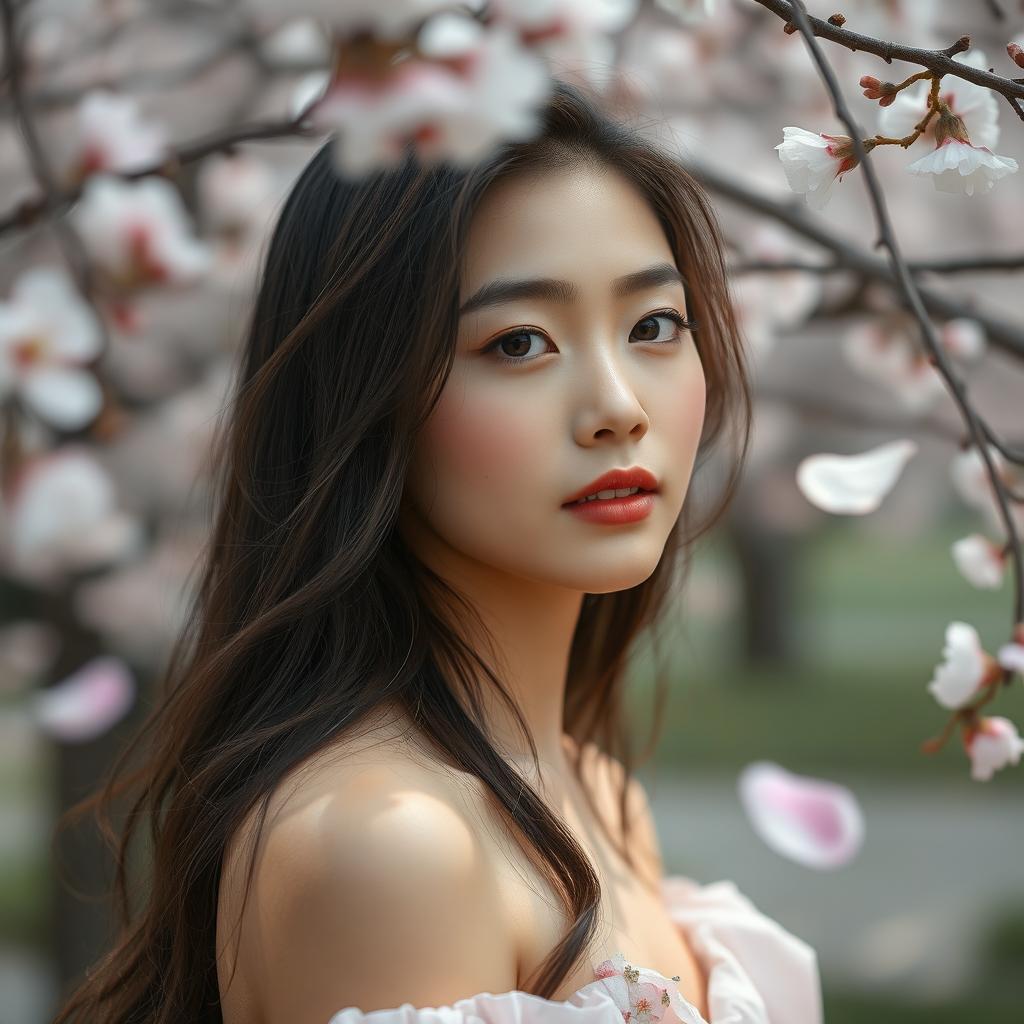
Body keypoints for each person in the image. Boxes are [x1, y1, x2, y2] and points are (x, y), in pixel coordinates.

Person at [51, 78, 822, 1024]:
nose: (619, 405)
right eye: (520, 342)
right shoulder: (390, 846)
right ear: (365, 395)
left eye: (654, 325)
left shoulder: (596, 794)